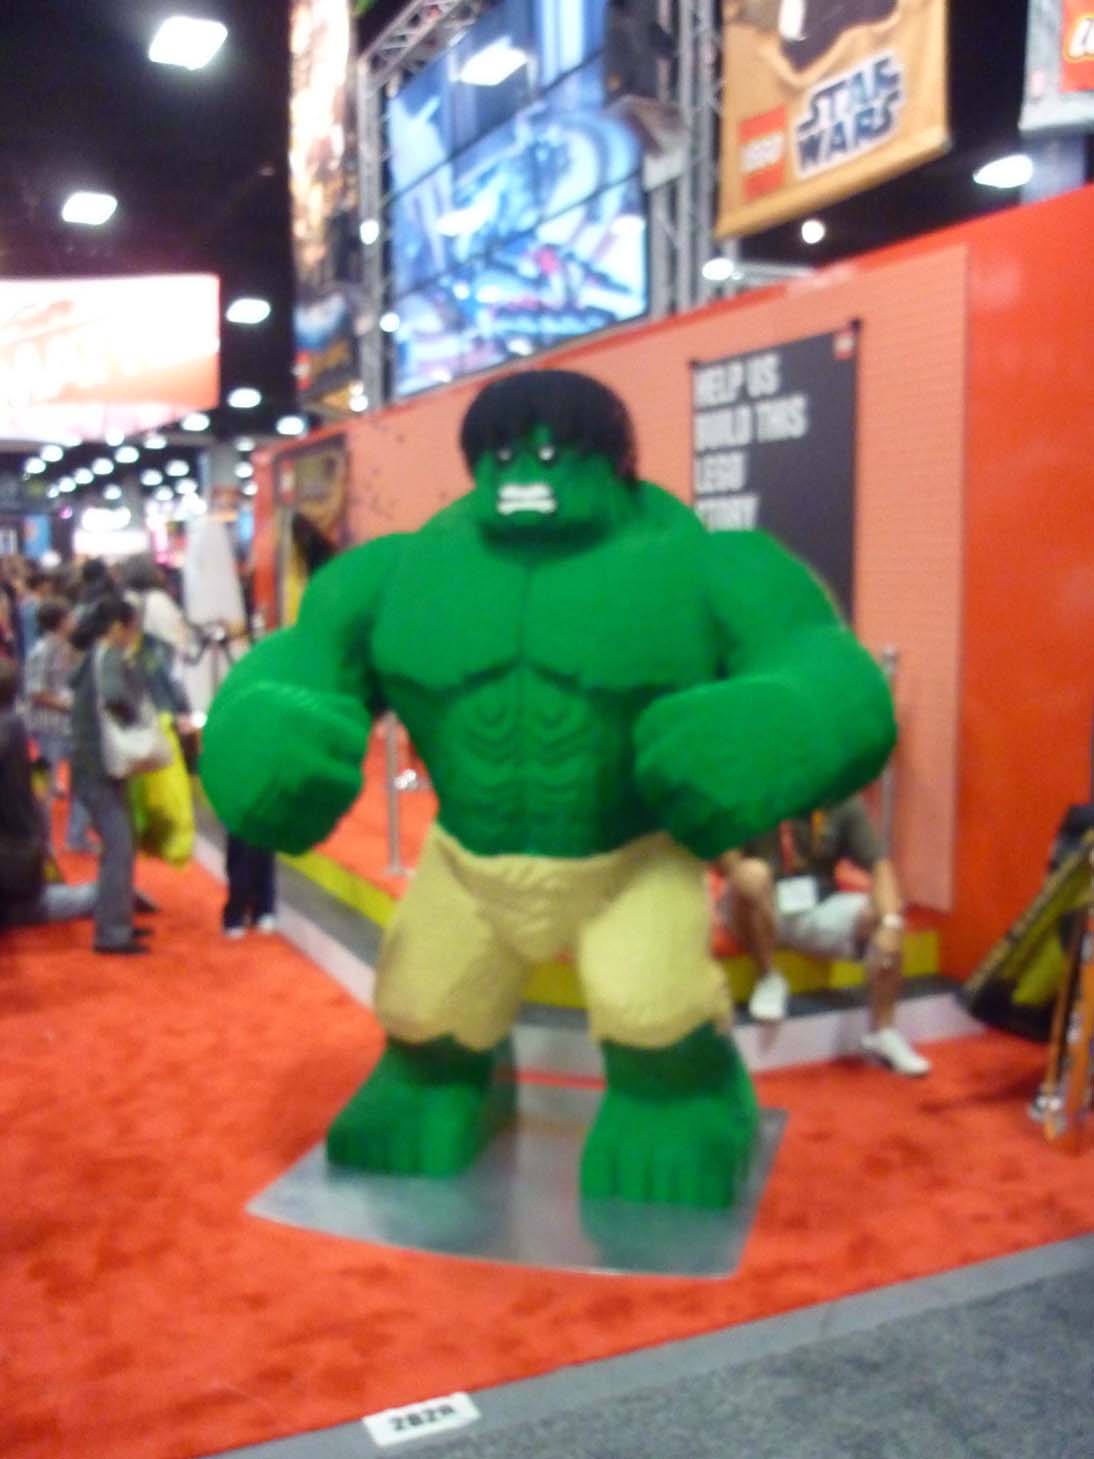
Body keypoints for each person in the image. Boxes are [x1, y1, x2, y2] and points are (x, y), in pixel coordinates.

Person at [722, 794, 930, 1075]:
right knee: (752, 875)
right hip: (756, 904)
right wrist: (739, 871)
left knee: (882, 917)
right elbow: (725, 854)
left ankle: (883, 1032)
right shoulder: (755, 792)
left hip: (816, 906)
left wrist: (892, 924)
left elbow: (879, 865)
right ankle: (767, 977)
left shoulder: (841, 799)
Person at [68, 596, 152, 955]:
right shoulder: (111, 656)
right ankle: (112, 933)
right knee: (119, 849)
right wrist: (136, 717)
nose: (134, 635)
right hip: (101, 767)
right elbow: (118, 696)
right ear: (118, 627)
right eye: (132, 628)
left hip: (90, 764)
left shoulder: (92, 655)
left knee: (117, 847)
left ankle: (117, 921)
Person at [0, 659, 98, 928]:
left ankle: (102, 895)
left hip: (14, 854)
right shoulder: (13, 725)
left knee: (28, 910)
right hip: (20, 848)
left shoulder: (7, 727)